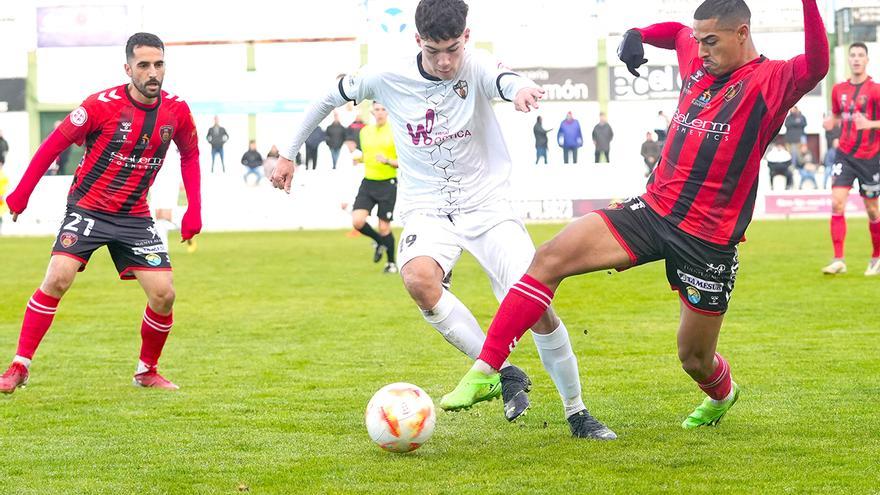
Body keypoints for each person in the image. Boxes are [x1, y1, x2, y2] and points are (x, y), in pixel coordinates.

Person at [441, 0, 828, 432]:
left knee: (694, 358)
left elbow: (816, 64)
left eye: (712, 42)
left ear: (742, 33)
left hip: (708, 240)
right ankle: (486, 369)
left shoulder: (769, 80)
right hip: (654, 209)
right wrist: (639, 33)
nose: (701, 51)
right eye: (699, 41)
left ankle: (723, 393)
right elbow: (677, 33)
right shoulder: (696, 58)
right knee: (551, 256)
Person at [270, 0, 611, 438]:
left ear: (466, 37)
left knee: (537, 305)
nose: (446, 60)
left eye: (453, 48)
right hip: (429, 209)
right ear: (418, 41)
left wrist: (521, 88)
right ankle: (505, 372)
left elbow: (505, 79)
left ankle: (577, 411)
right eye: (434, 51)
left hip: (489, 207)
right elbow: (326, 97)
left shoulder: (479, 65)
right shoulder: (386, 74)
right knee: (418, 279)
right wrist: (287, 154)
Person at [0, 32, 202, 394]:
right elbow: (52, 147)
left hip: (135, 217)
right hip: (88, 209)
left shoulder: (177, 111)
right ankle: (19, 366)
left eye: (158, 64)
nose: (152, 73)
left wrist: (193, 212)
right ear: (128, 68)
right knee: (58, 277)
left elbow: (190, 155)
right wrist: (21, 193)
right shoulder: (99, 106)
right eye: (143, 66)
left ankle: (146, 371)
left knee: (164, 294)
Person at [822, 42, 880, 276]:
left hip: (870, 156)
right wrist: (831, 122)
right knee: (837, 202)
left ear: (867, 60)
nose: (856, 59)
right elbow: (837, 114)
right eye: (853, 55)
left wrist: (870, 124)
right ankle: (839, 260)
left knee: (872, 210)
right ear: (849, 59)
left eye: (860, 55)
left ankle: (876, 257)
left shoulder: (876, 90)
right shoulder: (838, 89)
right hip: (844, 154)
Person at [350, 102, 400, 273]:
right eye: (377, 109)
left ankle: (391, 263)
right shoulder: (365, 132)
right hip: (368, 182)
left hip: (388, 182)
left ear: (388, 111)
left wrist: (387, 161)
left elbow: (404, 161)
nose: (380, 113)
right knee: (357, 221)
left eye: (383, 109)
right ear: (372, 111)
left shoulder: (396, 131)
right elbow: (368, 155)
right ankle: (379, 241)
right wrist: (360, 159)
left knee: (384, 227)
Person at [0, 160, 8, 234]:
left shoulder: (3, 176)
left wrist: (2, 195)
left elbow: (4, 187)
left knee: (0, 214)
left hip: (0, 199)